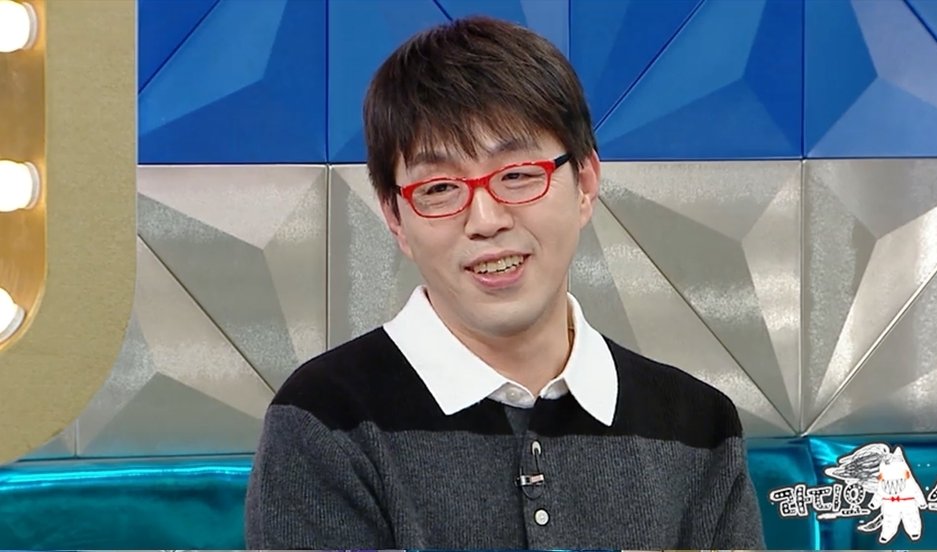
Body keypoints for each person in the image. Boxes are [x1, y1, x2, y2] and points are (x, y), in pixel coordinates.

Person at [245, 15, 765, 550]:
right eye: (440, 188)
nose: (485, 219)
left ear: (585, 183)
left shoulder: (698, 426)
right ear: (396, 218)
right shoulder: (323, 422)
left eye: (517, 175)